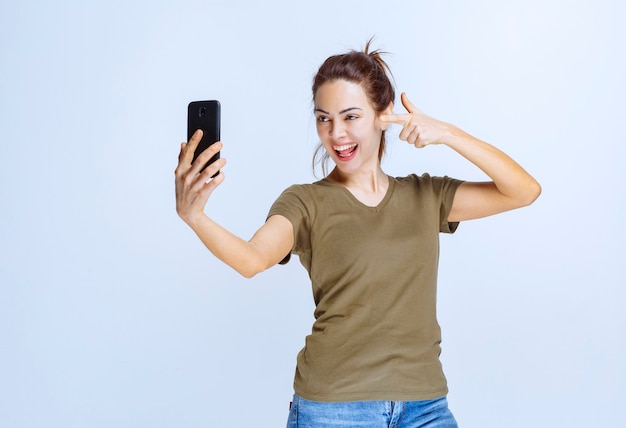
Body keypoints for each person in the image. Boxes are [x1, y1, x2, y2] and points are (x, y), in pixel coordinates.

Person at [175, 41, 541, 428]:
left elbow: (523, 191)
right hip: (333, 409)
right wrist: (194, 216)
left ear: (383, 116)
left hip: (425, 406)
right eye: (323, 118)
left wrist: (447, 133)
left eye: (350, 116)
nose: (336, 134)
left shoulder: (426, 196)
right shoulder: (304, 202)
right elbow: (252, 260)